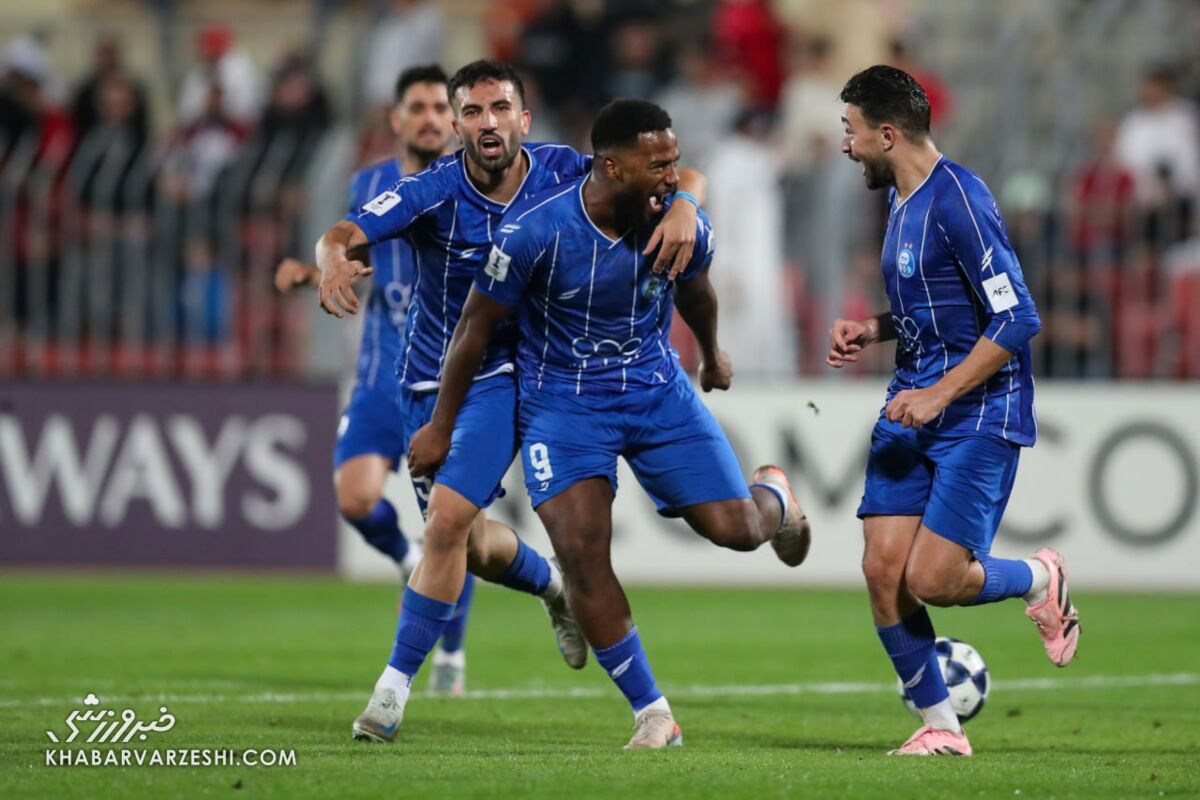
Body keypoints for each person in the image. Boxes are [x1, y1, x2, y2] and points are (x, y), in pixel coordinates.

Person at [314, 60, 709, 743]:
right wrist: (329, 257)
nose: (487, 122)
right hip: (424, 378)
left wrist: (686, 205)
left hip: (503, 376)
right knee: (466, 543)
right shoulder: (434, 190)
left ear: (523, 119)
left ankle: (390, 694)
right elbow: (345, 233)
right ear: (458, 126)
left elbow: (671, 175)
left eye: (500, 108)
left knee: (443, 522)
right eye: (472, 112)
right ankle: (552, 585)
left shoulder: (563, 170)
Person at [407, 98, 811, 749]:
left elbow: (696, 290)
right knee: (581, 555)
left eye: (675, 162)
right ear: (613, 167)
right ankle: (653, 712)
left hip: (656, 394)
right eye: (659, 165)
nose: (672, 177)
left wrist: (711, 353)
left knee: (736, 531)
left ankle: (776, 498)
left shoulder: (679, 223)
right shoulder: (535, 232)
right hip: (564, 409)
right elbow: (473, 329)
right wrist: (440, 426)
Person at [828, 65, 1080, 757]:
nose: (845, 144)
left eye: (851, 130)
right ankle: (943, 727)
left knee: (934, 581)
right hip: (911, 401)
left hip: (978, 411)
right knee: (882, 571)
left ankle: (1038, 577)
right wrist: (873, 329)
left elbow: (1017, 316)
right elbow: (934, 306)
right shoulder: (900, 199)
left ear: (887, 134)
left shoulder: (960, 199)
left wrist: (941, 394)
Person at [275, 65, 474, 694]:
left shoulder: (475, 184)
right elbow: (356, 263)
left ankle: (451, 656)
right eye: (418, 107)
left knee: (451, 520)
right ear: (397, 119)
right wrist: (314, 276)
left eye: (440, 108)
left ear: (455, 119)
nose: (430, 119)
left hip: (448, 382)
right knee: (355, 498)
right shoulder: (370, 184)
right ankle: (406, 557)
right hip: (382, 376)